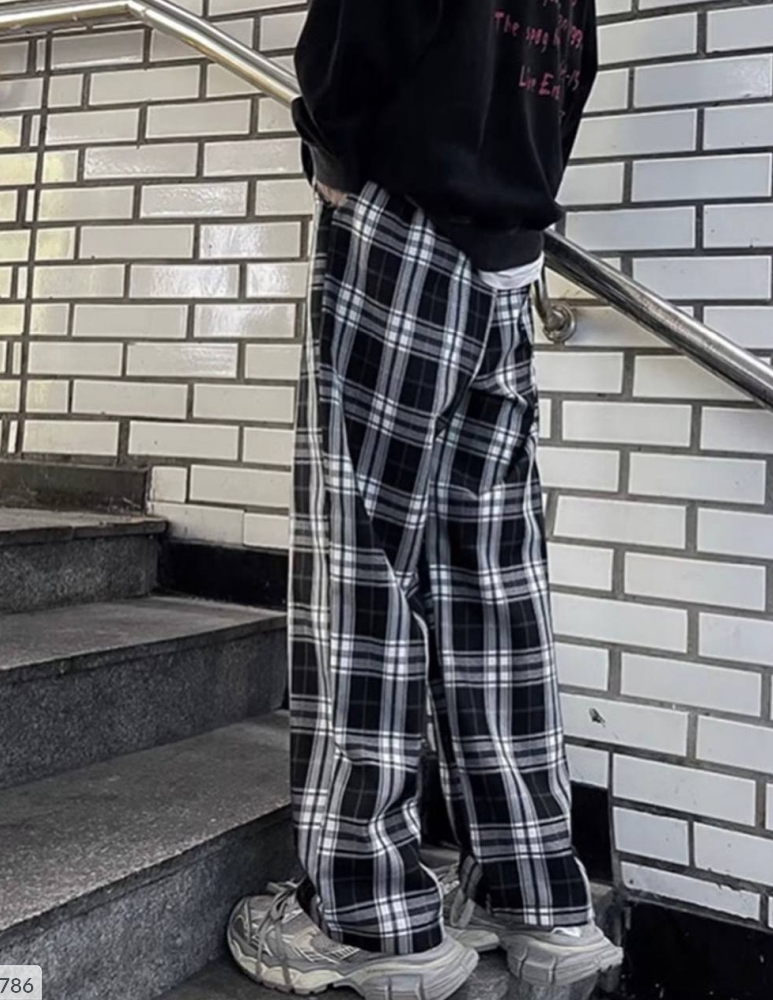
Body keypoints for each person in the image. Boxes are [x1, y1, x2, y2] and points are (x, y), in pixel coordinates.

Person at [228, 0, 622, 996]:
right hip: (509, 254)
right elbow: (570, 77)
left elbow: (352, 47)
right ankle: (536, 896)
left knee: (366, 574)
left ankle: (367, 914)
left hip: (405, 229)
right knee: (495, 585)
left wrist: (334, 162)